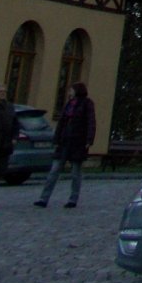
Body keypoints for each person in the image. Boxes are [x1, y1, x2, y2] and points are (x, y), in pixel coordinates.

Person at [35, 81, 96, 209]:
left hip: (78, 141)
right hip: (64, 141)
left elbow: (91, 121)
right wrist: (56, 138)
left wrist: (89, 139)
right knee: (54, 171)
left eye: (71, 90)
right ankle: (43, 198)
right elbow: (61, 123)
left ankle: (73, 199)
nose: (69, 92)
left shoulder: (86, 104)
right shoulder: (69, 104)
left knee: (75, 173)